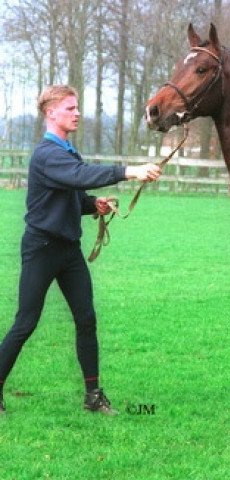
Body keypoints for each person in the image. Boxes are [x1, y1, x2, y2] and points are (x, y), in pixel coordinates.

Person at [0, 85, 161, 415]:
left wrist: (93, 205)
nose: (77, 113)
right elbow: (78, 176)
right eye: (70, 108)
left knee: (86, 319)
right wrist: (129, 171)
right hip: (42, 249)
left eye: (77, 108)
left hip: (68, 251)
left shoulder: (66, 151)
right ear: (51, 113)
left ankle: (93, 395)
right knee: (26, 322)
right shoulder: (48, 154)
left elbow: (72, 193)